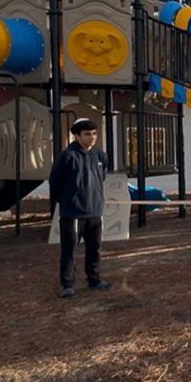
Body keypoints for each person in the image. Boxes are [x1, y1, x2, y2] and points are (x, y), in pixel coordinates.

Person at [50, 118, 111, 298]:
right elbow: (55, 182)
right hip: (73, 213)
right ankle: (68, 284)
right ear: (77, 136)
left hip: (95, 211)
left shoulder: (100, 155)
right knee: (69, 250)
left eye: (94, 134)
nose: (92, 137)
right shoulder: (67, 156)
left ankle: (94, 280)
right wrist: (68, 202)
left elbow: (102, 177)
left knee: (95, 248)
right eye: (87, 134)